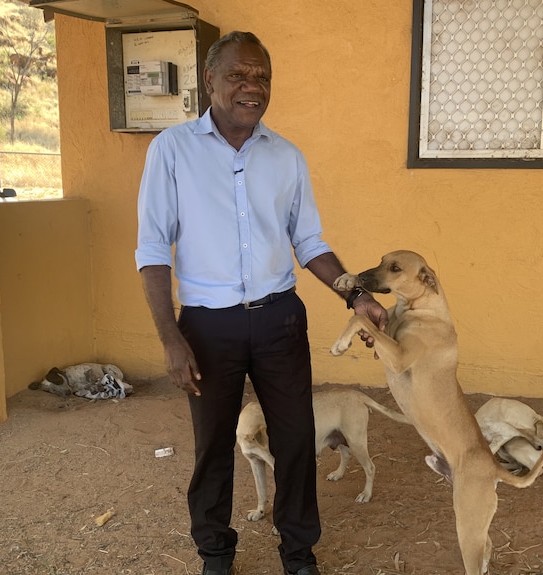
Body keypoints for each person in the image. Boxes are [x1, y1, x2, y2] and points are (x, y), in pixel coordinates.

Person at [134, 31, 387, 575]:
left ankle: (298, 554)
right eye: (238, 76)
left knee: (295, 440)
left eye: (262, 77)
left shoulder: (286, 156)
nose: (253, 88)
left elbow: (310, 243)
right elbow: (153, 248)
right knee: (213, 447)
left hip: (278, 321)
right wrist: (170, 337)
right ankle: (215, 555)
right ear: (209, 81)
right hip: (206, 328)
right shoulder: (172, 150)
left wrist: (358, 294)